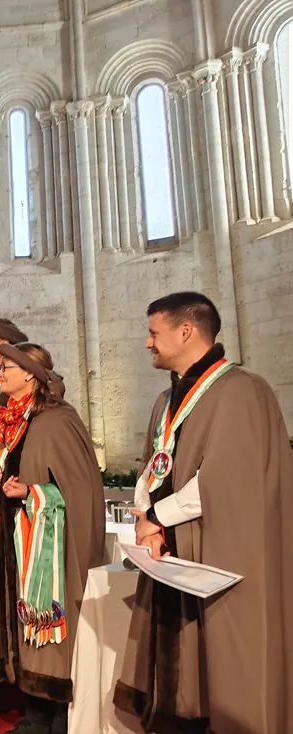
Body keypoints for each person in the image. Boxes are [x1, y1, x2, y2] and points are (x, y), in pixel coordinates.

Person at [113, 292, 293, 734]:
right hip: (173, 550)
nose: (147, 343)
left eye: (154, 333)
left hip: (221, 550)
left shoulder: (243, 389)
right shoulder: (165, 399)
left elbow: (227, 480)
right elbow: (153, 465)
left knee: (225, 668)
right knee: (178, 668)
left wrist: (158, 517)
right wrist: (144, 517)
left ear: (186, 331)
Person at [0, 343, 104, 733]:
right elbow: (0, 475)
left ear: (30, 374)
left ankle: (54, 718)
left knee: (49, 628)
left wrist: (32, 493)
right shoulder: (13, 420)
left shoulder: (57, 421)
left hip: (48, 546)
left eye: (6, 368)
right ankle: (35, 713)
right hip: (11, 537)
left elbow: (82, 490)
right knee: (20, 624)